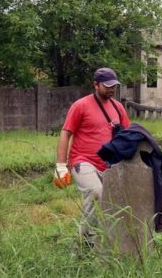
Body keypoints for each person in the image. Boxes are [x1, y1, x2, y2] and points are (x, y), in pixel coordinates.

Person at [54, 67, 131, 243]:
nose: (111, 89)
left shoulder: (118, 107)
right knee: (96, 192)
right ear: (96, 85)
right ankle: (86, 242)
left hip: (109, 165)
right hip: (83, 161)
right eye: (107, 86)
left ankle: (102, 241)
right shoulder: (80, 106)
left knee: (111, 204)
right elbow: (65, 133)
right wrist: (60, 166)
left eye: (114, 86)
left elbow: (128, 135)